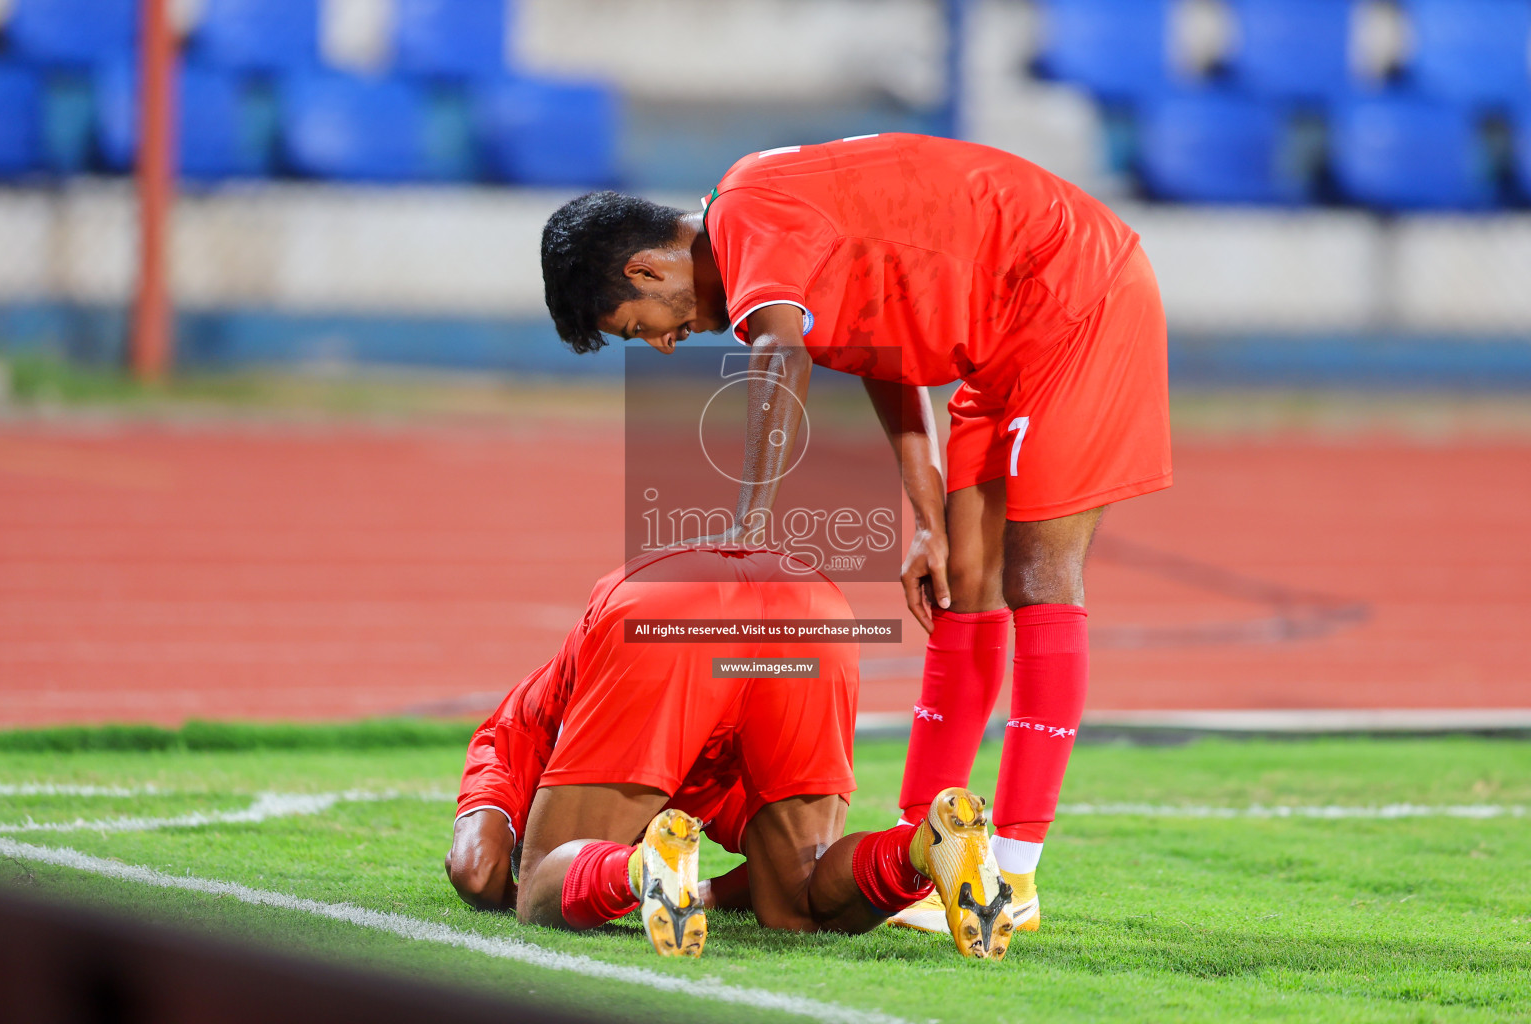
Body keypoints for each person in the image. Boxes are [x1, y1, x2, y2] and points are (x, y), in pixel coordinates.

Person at [539, 133, 1172, 934]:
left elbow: (782, 353)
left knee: (1038, 579)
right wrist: (924, 521)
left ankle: (1012, 875)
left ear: (647, 269)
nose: (664, 343)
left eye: (641, 328)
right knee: (963, 585)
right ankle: (929, 858)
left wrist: (747, 531)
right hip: (1004, 335)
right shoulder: (765, 241)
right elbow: (885, 348)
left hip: (1075, 295)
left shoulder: (745, 214)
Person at [445, 547, 1017, 959]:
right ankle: (922, 849)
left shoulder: (513, 733)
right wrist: (708, 891)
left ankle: (642, 870)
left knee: (545, 884)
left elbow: (476, 872)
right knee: (798, 905)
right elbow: (776, 878)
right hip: (806, 601)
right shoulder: (704, 779)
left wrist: (544, 872)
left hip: (666, 614)